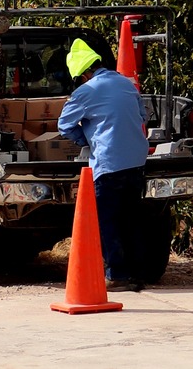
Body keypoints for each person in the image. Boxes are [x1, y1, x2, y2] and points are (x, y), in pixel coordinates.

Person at [57, 36, 152, 290]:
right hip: (136, 161)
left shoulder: (85, 91)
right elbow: (142, 116)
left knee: (107, 221)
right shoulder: (126, 83)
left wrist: (86, 139)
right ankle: (138, 274)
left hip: (109, 164)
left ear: (84, 74)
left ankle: (117, 275)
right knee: (131, 218)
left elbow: (64, 125)